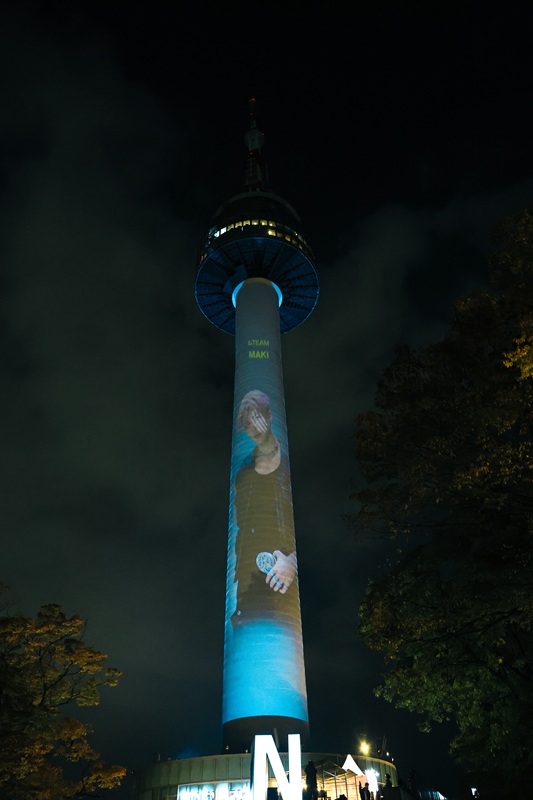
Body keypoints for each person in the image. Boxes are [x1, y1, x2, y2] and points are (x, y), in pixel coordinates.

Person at [231, 390, 298, 625]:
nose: (254, 427)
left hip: (283, 582)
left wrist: (292, 561)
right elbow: (240, 527)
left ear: (269, 416)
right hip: (249, 584)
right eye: (247, 423)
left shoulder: (288, 466)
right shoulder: (243, 472)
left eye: (257, 417)